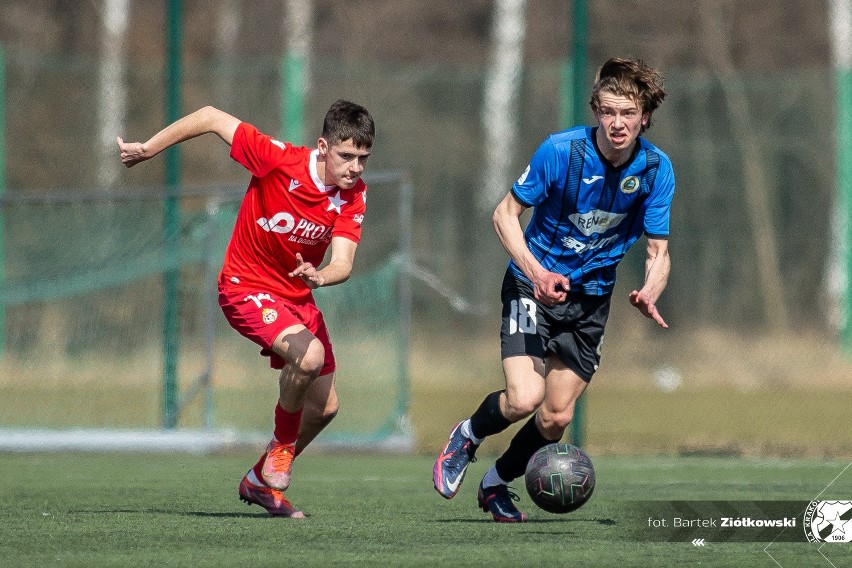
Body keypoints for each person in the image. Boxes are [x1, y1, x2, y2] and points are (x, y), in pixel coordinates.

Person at [433, 58, 673, 522]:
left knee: (555, 417)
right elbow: (504, 214)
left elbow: (658, 251)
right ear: (596, 112)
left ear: (645, 115)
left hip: (591, 302)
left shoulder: (656, 170)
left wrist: (650, 290)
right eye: (607, 111)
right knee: (524, 397)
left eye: (628, 113)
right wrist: (536, 271)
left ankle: (495, 483)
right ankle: (467, 434)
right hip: (530, 285)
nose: (617, 123)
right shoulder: (561, 152)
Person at [118, 100, 375, 518]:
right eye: (347, 156)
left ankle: (259, 479)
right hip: (245, 287)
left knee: (326, 408)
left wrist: (320, 277)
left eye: (364, 159)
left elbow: (343, 262)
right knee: (310, 356)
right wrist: (148, 149)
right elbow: (209, 116)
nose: (355, 168)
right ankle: (280, 450)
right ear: (324, 146)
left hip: (298, 297)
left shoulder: (354, 196)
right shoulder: (278, 159)